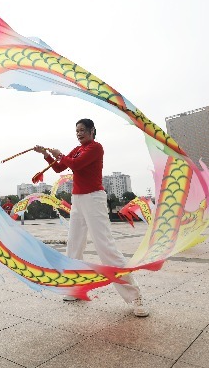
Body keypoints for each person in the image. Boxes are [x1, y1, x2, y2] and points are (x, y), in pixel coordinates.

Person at [34, 118, 149, 317]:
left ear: (92, 130)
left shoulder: (96, 148)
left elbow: (75, 165)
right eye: (76, 130)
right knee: (74, 245)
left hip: (94, 199)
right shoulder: (77, 149)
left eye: (82, 130)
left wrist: (59, 154)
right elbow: (60, 168)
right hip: (77, 200)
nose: (79, 133)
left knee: (105, 247)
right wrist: (46, 154)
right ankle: (75, 288)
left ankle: (135, 296)